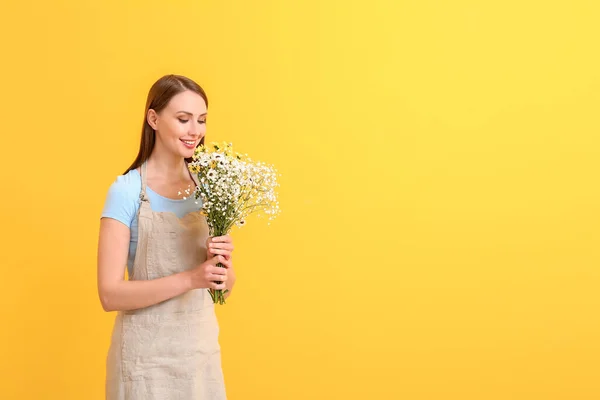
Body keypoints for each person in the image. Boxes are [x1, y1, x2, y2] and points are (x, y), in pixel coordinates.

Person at [97, 74, 235, 399]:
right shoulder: (127, 191)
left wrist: (222, 268)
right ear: (154, 119)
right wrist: (191, 278)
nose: (195, 131)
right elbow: (109, 294)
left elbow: (225, 291)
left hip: (199, 357)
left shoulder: (211, 188)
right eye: (183, 119)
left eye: (201, 120)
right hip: (143, 363)